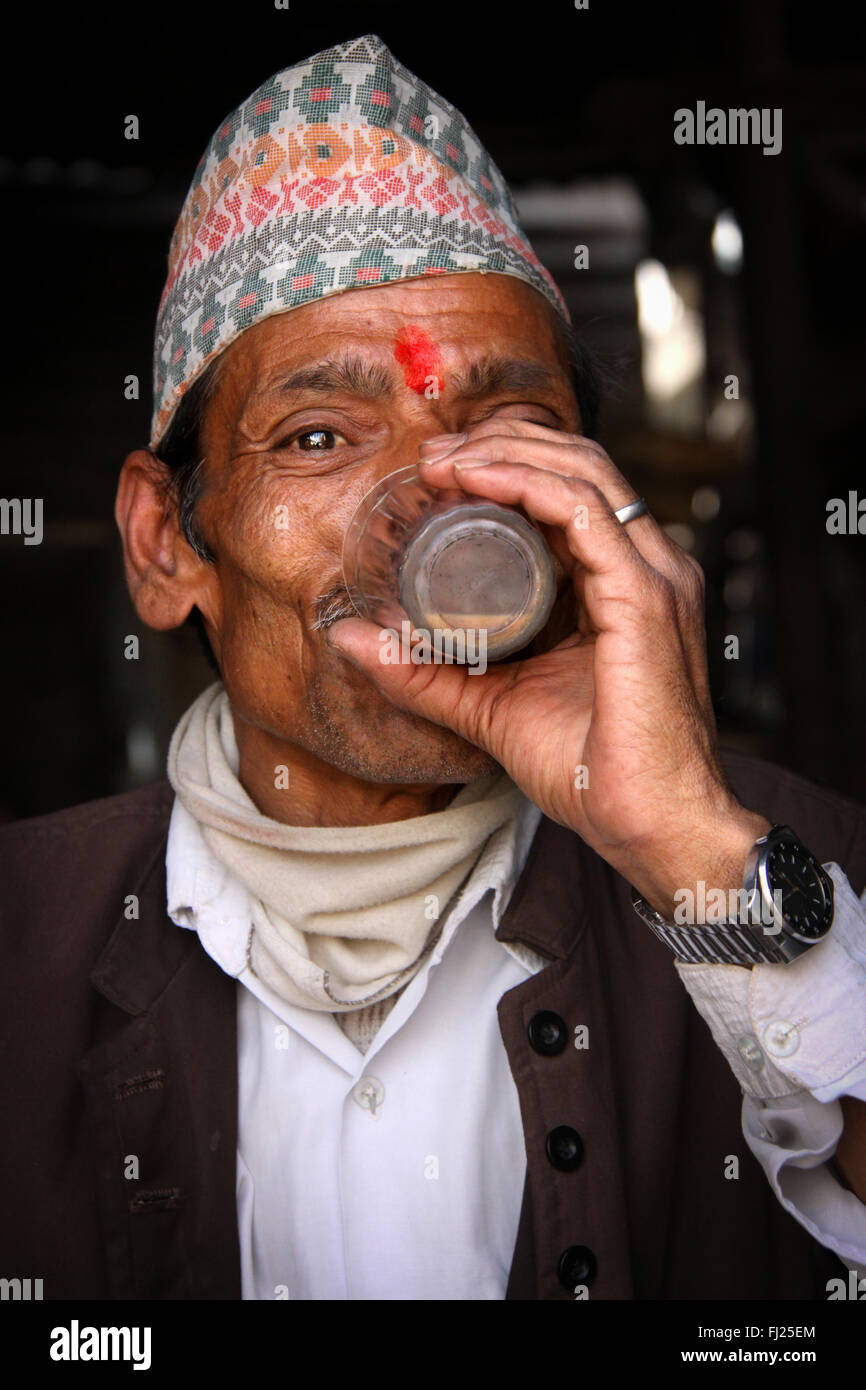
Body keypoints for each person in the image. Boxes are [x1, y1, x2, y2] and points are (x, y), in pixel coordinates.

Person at [1, 33, 865, 1302]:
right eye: (316, 435)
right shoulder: (24, 937)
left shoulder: (796, 869)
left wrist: (689, 852)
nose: (438, 501)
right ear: (166, 542)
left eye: (510, 429)